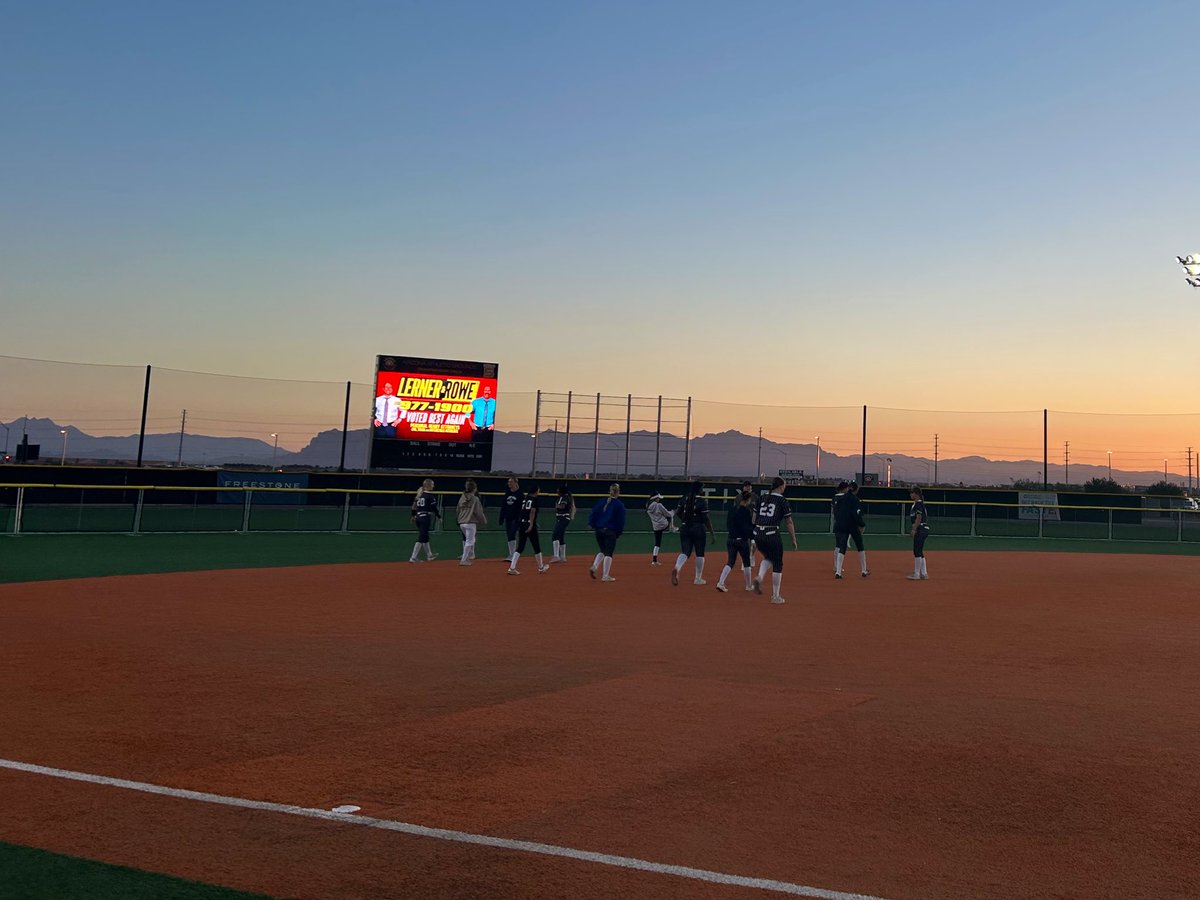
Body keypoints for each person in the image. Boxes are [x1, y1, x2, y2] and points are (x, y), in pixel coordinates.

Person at [753, 477, 799, 604]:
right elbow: (789, 522)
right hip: (771, 533)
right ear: (780, 486)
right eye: (784, 485)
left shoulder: (762, 498)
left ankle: (760, 577)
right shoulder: (782, 500)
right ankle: (775, 596)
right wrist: (793, 539)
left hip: (758, 533)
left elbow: (753, 519)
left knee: (768, 557)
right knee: (778, 563)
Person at [671, 480, 716, 586]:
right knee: (700, 553)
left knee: (685, 552)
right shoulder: (702, 501)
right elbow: (706, 519)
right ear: (699, 489)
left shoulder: (684, 498)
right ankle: (698, 578)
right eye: (702, 488)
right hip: (698, 529)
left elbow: (678, 512)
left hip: (685, 527)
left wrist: (684, 519)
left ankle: (677, 569)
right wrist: (712, 533)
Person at [716, 491, 755, 593]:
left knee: (730, 562)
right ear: (747, 500)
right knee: (747, 563)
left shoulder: (732, 510)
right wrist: (752, 538)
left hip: (730, 539)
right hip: (742, 541)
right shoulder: (746, 511)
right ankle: (749, 585)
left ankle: (720, 582)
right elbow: (748, 527)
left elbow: (728, 524)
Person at [587, 483, 626, 582]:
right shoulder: (619, 505)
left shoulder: (602, 502)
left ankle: (595, 566)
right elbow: (620, 521)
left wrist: (591, 524)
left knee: (603, 550)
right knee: (608, 553)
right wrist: (619, 532)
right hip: (610, 531)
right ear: (618, 492)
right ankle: (605, 575)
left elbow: (594, 513)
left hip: (599, 530)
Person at [508, 484, 549, 575]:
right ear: (536, 491)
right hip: (529, 524)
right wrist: (531, 525)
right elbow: (532, 511)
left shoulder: (525, 499)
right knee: (536, 546)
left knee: (520, 547)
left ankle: (512, 568)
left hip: (522, 523)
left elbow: (522, 511)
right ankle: (541, 567)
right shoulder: (534, 500)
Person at [833, 480, 869, 579]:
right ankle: (864, 570)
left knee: (842, 547)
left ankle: (838, 571)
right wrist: (862, 525)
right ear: (856, 489)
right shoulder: (855, 499)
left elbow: (836, 512)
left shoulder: (841, 498)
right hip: (852, 526)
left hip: (841, 525)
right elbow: (856, 514)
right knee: (860, 546)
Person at [455, 479, 487, 566]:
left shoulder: (462, 497)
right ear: (474, 488)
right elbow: (478, 512)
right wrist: (483, 521)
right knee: (470, 540)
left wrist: (457, 519)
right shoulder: (475, 498)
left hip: (462, 522)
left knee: (470, 540)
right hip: (470, 522)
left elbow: (457, 509)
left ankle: (469, 555)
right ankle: (464, 559)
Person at [409, 479, 440, 562]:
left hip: (418, 517)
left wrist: (413, 516)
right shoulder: (429, 496)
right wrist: (439, 516)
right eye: (432, 484)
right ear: (428, 485)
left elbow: (413, 507)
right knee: (422, 537)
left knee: (425, 536)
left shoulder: (419, 495)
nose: (433, 486)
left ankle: (429, 555)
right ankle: (413, 557)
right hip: (425, 517)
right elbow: (434, 508)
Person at [907, 486, 931, 580]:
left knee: (917, 551)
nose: (910, 494)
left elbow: (919, 517)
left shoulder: (918, 504)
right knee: (920, 551)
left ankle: (917, 574)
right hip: (924, 529)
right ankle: (924, 573)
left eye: (912, 492)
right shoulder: (919, 504)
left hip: (920, 529)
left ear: (916, 494)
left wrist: (914, 529)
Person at [645, 492, 675, 566]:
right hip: (664, 524)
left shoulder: (648, 506)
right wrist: (673, 512)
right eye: (658, 498)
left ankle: (654, 560)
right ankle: (671, 528)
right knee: (671, 515)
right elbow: (667, 514)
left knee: (657, 543)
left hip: (656, 526)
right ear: (655, 498)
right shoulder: (659, 505)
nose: (659, 499)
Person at [498, 477, 524, 559]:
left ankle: (513, 554)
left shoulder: (520, 494)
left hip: (516, 518)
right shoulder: (508, 493)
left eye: (511, 482)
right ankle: (511, 554)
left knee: (512, 533)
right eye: (508, 482)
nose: (509, 483)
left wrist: (520, 518)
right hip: (508, 517)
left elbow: (522, 507)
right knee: (509, 535)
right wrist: (501, 517)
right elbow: (504, 506)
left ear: (516, 482)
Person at [550, 484, 575, 563]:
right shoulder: (567, 497)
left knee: (555, 536)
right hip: (564, 518)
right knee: (560, 537)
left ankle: (556, 556)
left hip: (562, 518)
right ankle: (563, 557)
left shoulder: (563, 497)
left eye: (558, 490)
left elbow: (562, 506)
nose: (556, 491)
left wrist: (557, 505)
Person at [831, 481, 848, 572]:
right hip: (844, 524)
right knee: (842, 546)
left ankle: (836, 566)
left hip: (837, 523)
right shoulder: (846, 497)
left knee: (837, 545)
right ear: (844, 488)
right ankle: (838, 568)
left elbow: (834, 511)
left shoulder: (834, 497)